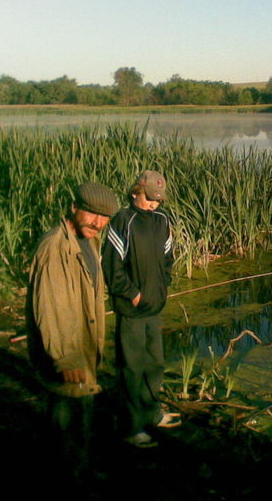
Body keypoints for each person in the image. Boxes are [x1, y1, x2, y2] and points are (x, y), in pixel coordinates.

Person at [25, 181, 119, 479]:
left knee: (81, 418)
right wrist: (65, 357)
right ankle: (66, 482)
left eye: (105, 217)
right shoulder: (55, 247)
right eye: (92, 214)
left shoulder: (88, 242)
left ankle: (80, 472)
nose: (98, 222)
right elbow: (51, 305)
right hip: (68, 354)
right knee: (64, 423)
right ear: (74, 208)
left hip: (84, 346)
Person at [102, 170, 179, 448]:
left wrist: (162, 287)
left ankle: (151, 412)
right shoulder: (123, 220)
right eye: (149, 198)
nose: (153, 204)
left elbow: (168, 258)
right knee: (131, 368)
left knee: (154, 364)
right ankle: (131, 425)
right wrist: (133, 295)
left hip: (155, 308)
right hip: (132, 310)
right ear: (135, 192)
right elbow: (112, 267)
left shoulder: (162, 220)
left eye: (158, 200)